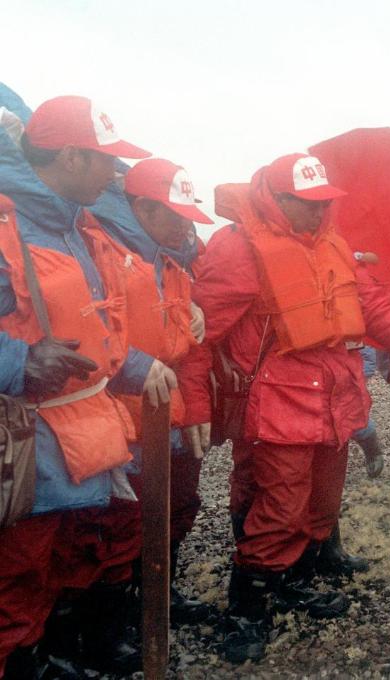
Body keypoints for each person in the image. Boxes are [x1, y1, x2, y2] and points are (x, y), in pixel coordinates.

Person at [178, 152, 390, 663]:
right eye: (308, 205)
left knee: (322, 502)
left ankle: (295, 580)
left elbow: (375, 308)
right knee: (280, 506)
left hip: (334, 393)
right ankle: (246, 610)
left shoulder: (332, 244)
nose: (319, 213)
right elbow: (199, 334)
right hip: (276, 400)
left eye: (324, 203)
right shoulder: (238, 248)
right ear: (278, 200)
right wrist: (196, 406)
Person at [0, 95, 175, 677]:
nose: (114, 173)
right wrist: (16, 361)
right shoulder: (6, 225)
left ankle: (38, 654)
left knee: (50, 563)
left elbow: (94, 328)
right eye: (106, 160)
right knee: (14, 570)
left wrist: (135, 365)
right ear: (72, 156)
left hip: (75, 433)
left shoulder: (80, 228)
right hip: (21, 440)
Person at [89, 157, 216, 626]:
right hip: (120, 413)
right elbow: (86, 329)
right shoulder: (99, 251)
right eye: (176, 213)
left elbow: (192, 346)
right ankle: (114, 620)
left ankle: (159, 593)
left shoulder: (173, 262)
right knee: (120, 520)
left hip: (171, 406)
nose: (186, 226)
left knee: (179, 503)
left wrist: (193, 312)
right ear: (142, 207)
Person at [351, 346, 385, 478]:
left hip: (348, 370)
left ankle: (372, 450)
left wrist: (359, 374)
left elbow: (367, 352)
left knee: (352, 415)